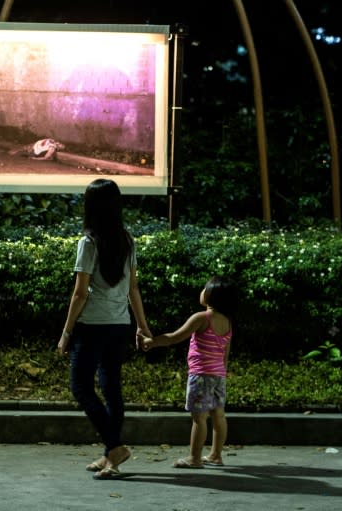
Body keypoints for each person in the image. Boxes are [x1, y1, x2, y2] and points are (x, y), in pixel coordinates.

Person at [57, 178, 152, 479]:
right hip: (119, 325)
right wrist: (141, 326)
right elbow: (133, 288)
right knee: (111, 388)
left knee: (81, 387)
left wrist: (66, 333)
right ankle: (110, 455)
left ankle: (114, 447)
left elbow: (80, 293)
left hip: (92, 326)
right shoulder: (127, 239)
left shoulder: (89, 242)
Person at [142, 276, 235, 468]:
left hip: (201, 375)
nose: (201, 291)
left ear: (210, 295)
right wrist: (221, 373)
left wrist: (153, 342)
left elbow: (175, 337)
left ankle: (194, 458)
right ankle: (216, 455)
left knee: (199, 418)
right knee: (219, 415)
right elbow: (225, 354)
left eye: (204, 288)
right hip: (219, 375)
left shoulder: (201, 318)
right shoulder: (227, 322)